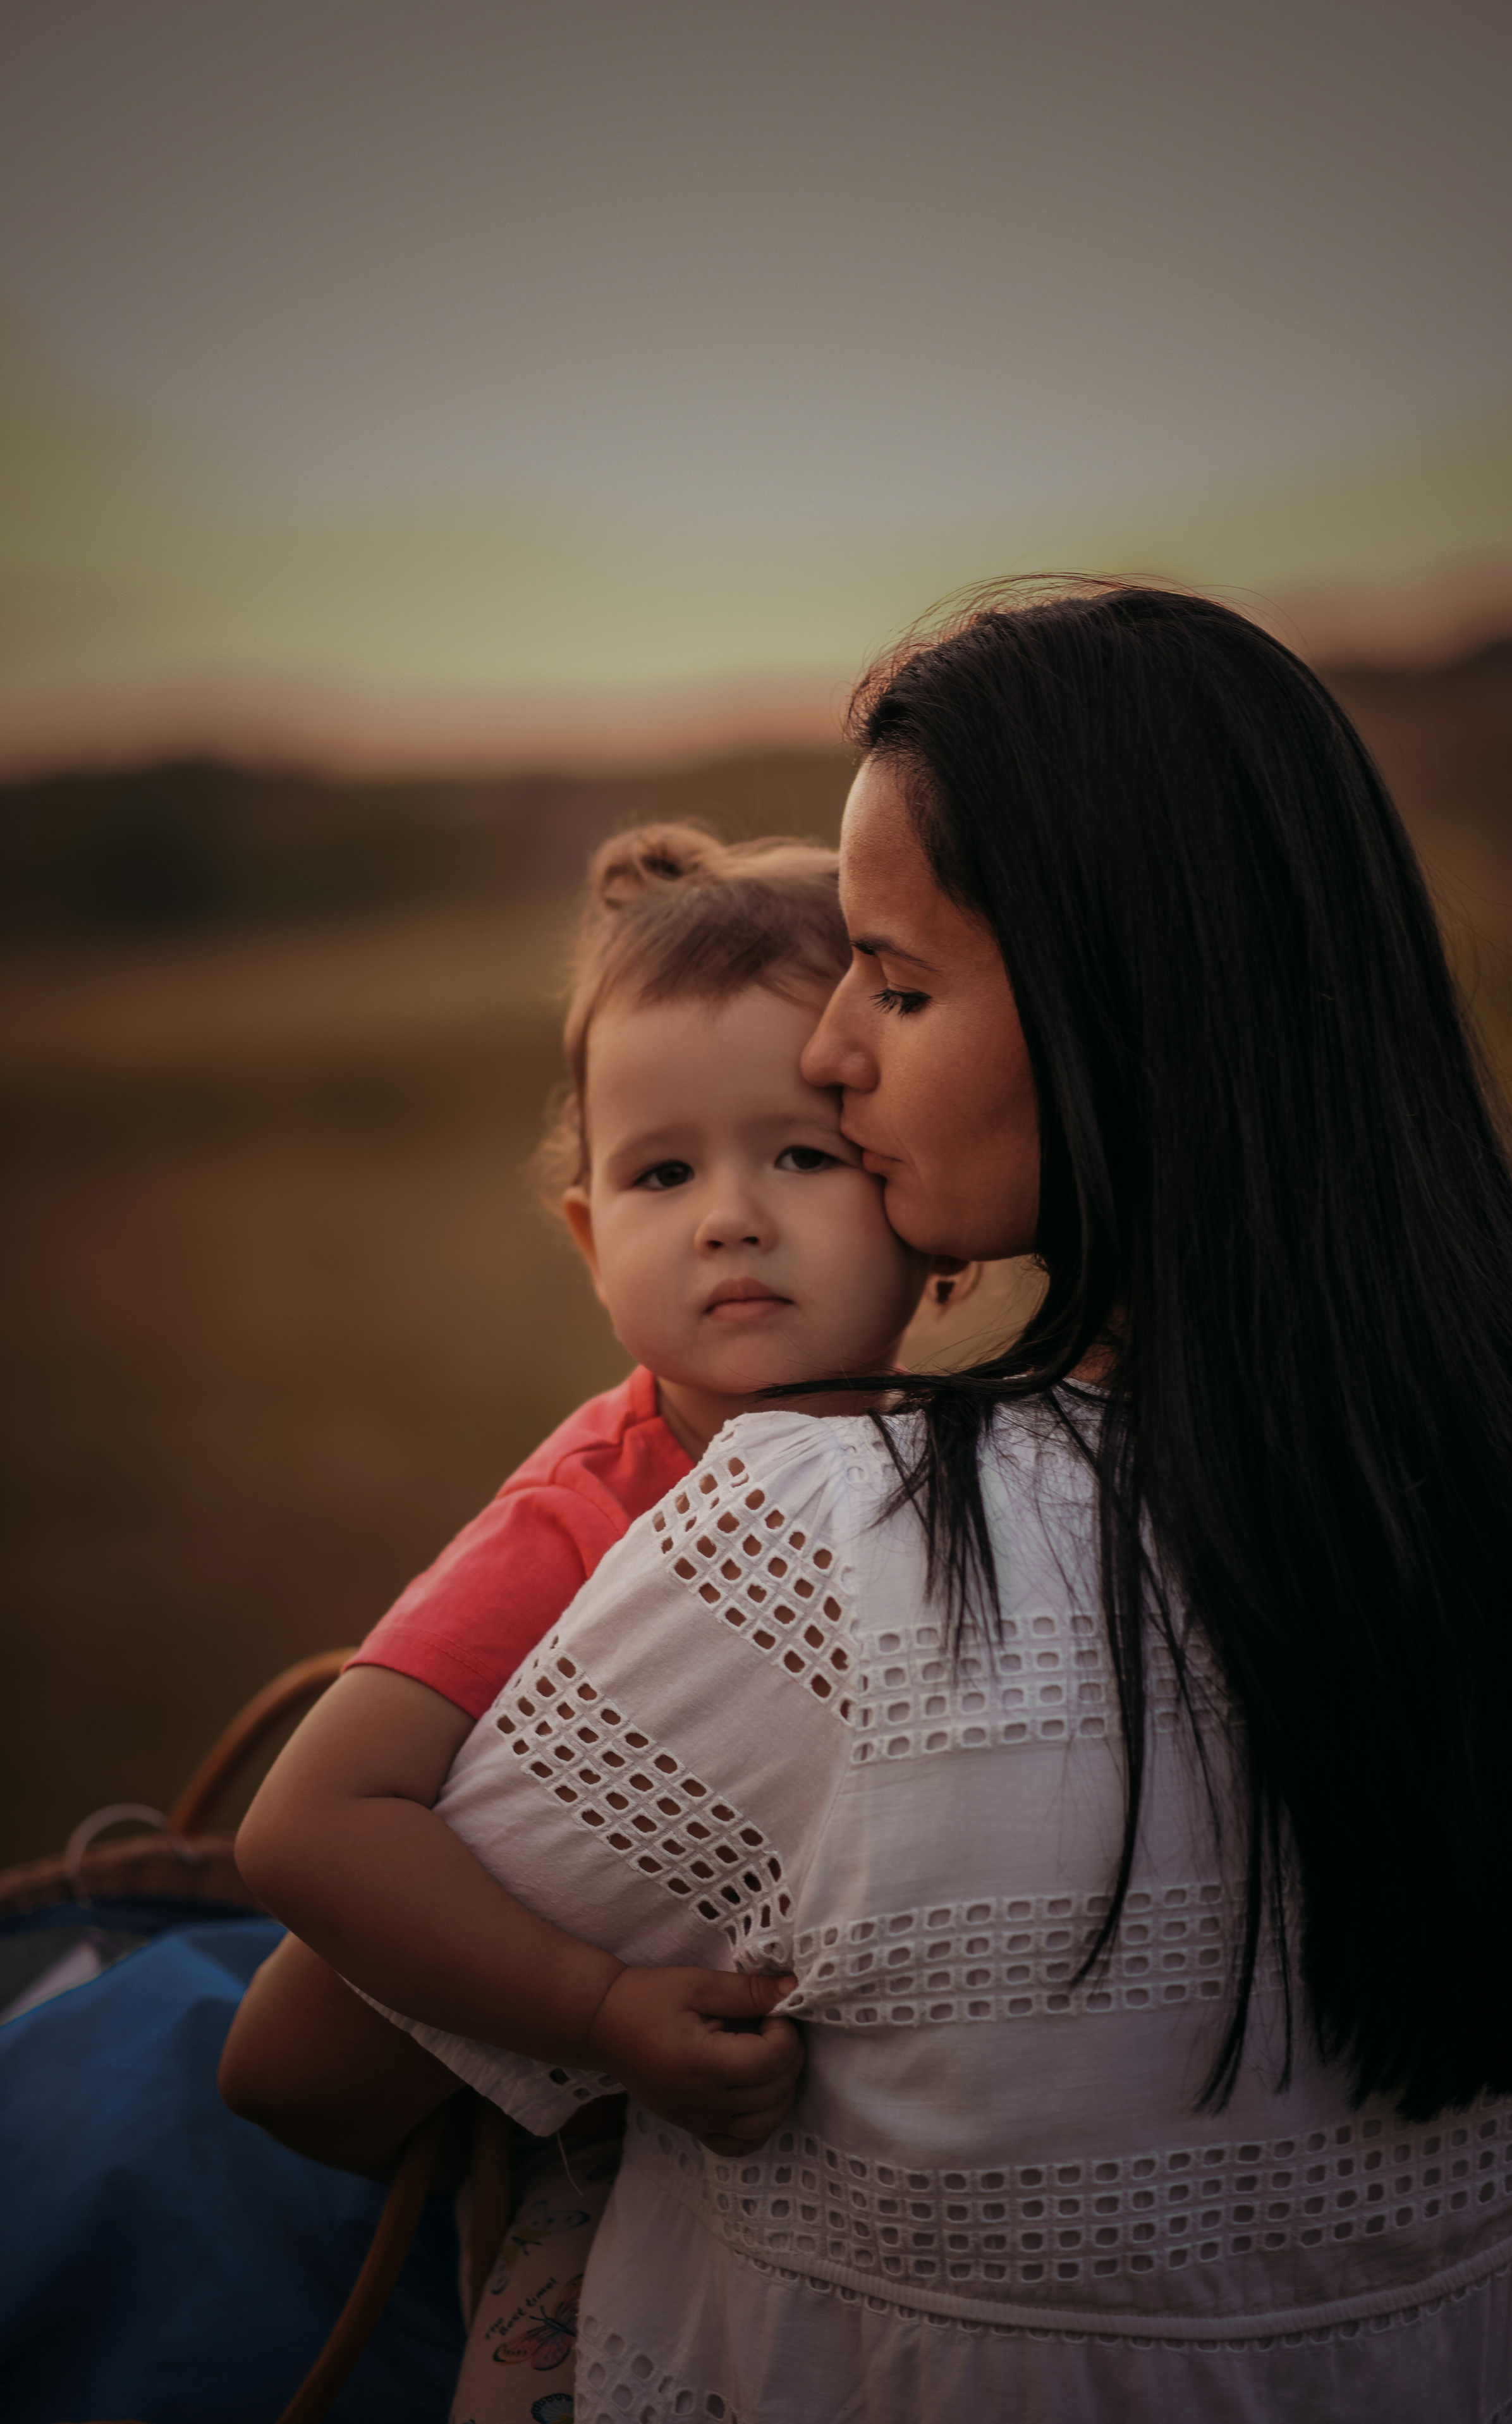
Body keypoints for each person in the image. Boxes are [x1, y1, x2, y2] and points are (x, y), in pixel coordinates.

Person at [228, 580, 1512, 2420]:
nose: (831, 1053)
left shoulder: (827, 1536)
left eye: (897, 982)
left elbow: (307, 2072)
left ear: (1115, 1003)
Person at [229, 821, 966, 2411]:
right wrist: (599, 2011)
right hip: (611, 2149)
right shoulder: (589, 1510)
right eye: (661, 1172)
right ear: (587, 1239)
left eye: (802, 1153)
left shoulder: (968, 1461)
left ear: (924, 1204)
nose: (728, 1215)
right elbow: (302, 1827)